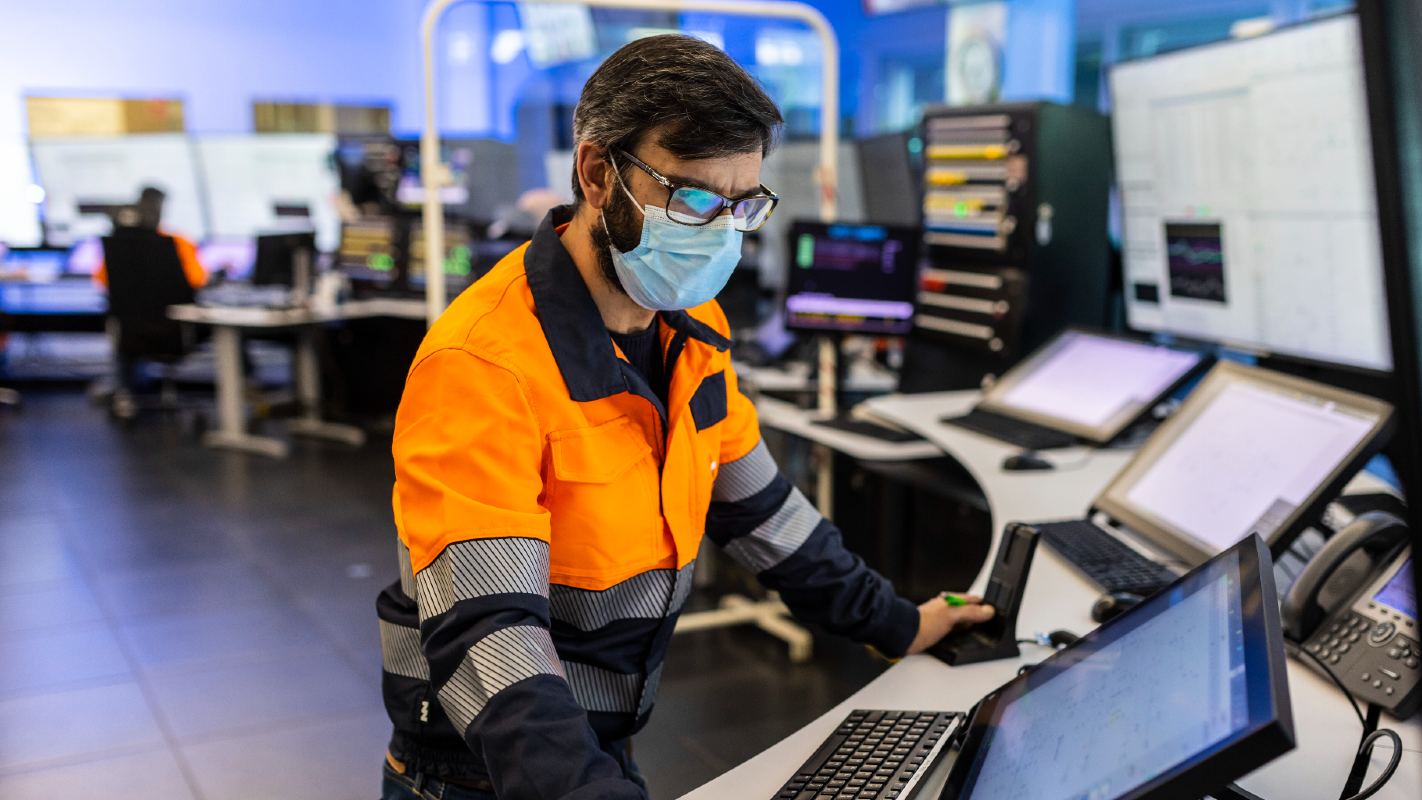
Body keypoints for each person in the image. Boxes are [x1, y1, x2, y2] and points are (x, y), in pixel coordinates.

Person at [375, 35, 994, 800]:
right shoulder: (483, 363)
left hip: (597, 747)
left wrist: (898, 623)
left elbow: (765, 513)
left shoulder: (689, 320)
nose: (720, 231)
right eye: (695, 198)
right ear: (598, 173)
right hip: (484, 771)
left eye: (744, 205)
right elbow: (489, 637)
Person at [95, 186, 209, 419]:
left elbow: (101, 282)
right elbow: (198, 280)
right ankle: (249, 386)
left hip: (131, 335)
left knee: (121, 324)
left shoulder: (117, 248)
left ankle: (124, 392)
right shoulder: (177, 242)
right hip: (177, 332)